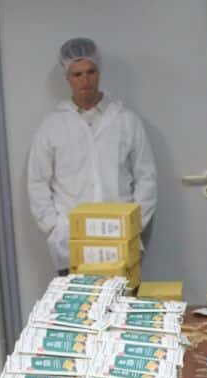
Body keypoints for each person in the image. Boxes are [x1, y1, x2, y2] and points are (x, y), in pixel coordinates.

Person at [28, 38, 157, 273]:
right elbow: (37, 181)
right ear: (67, 78)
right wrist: (54, 227)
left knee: (122, 308)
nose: (85, 80)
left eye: (91, 72)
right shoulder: (52, 126)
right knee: (79, 309)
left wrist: (133, 226)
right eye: (77, 75)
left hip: (119, 240)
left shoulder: (125, 120)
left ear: (99, 72)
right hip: (71, 243)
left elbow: (146, 177)